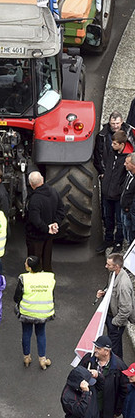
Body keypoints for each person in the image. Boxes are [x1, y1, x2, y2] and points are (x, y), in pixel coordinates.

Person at [95, 116, 130, 251]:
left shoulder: (126, 159)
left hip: (117, 196)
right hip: (107, 193)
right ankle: (108, 240)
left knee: (119, 221)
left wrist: (119, 190)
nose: (111, 145)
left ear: (121, 144)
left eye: (114, 144)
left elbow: (127, 178)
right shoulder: (111, 154)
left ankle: (118, 242)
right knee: (108, 219)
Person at [14, 255, 54, 369]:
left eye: (26, 264)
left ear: (30, 268)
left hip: (27, 312)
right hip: (43, 312)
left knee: (26, 333)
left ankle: (27, 357)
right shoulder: (49, 277)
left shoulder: (24, 278)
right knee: (41, 333)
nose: (24, 265)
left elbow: (17, 297)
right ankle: (42, 359)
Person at [78, 335, 129, 418]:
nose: (95, 350)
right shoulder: (88, 359)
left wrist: (117, 410)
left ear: (106, 351)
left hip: (107, 409)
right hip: (90, 406)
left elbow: (124, 391)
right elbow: (77, 374)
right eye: (95, 347)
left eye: (98, 348)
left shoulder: (119, 367)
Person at [96, 253, 135, 361]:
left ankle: (116, 371)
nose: (106, 266)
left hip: (116, 321)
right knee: (114, 346)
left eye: (108, 264)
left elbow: (126, 309)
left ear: (116, 266)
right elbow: (111, 290)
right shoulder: (113, 274)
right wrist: (104, 293)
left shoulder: (123, 285)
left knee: (114, 349)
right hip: (111, 316)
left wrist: (115, 322)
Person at [25, 171, 66, 272]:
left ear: (31, 184)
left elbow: (35, 220)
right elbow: (61, 210)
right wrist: (55, 223)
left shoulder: (34, 199)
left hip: (36, 238)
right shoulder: (53, 191)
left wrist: (47, 228)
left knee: (34, 266)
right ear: (42, 179)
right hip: (48, 237)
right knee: (47, 263)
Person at [122, 155, 135, 246]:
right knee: (126, 230)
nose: (124, 164)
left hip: (131, 212)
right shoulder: (129, 174)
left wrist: (130, 210)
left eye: (127, 163)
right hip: (125, 210)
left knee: (131, 231)